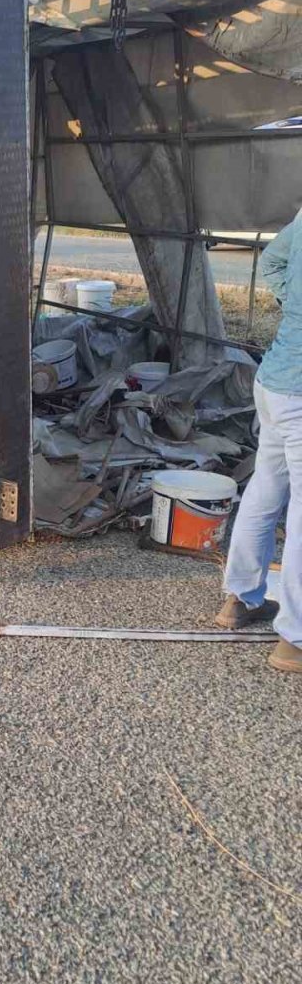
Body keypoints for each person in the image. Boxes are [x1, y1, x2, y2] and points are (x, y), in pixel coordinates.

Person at [215, 208, 302, 672]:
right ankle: (295, 639)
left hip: (274, 380)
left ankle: (242, 598)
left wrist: (297, 303)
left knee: (266, 489)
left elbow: (272, 261)